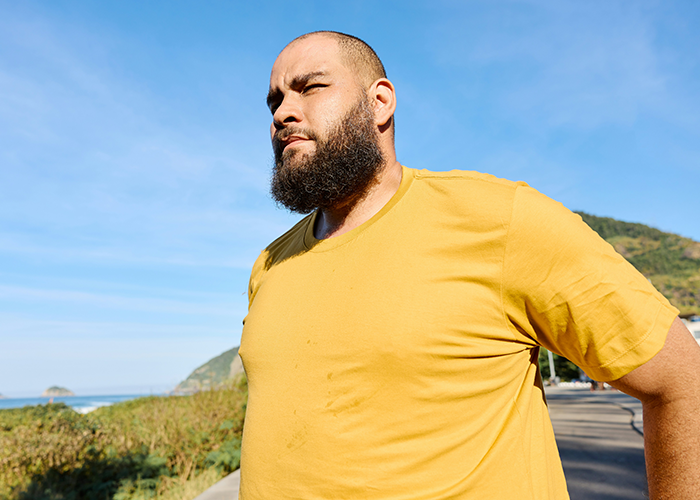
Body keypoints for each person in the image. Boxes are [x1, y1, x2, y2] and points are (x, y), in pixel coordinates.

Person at [238, 31, 700, 499]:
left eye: (310, 87)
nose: (282, 113)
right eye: (274, 101)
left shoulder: (502, 220)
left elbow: (682, 382)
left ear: (380, 102)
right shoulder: (269, 265)